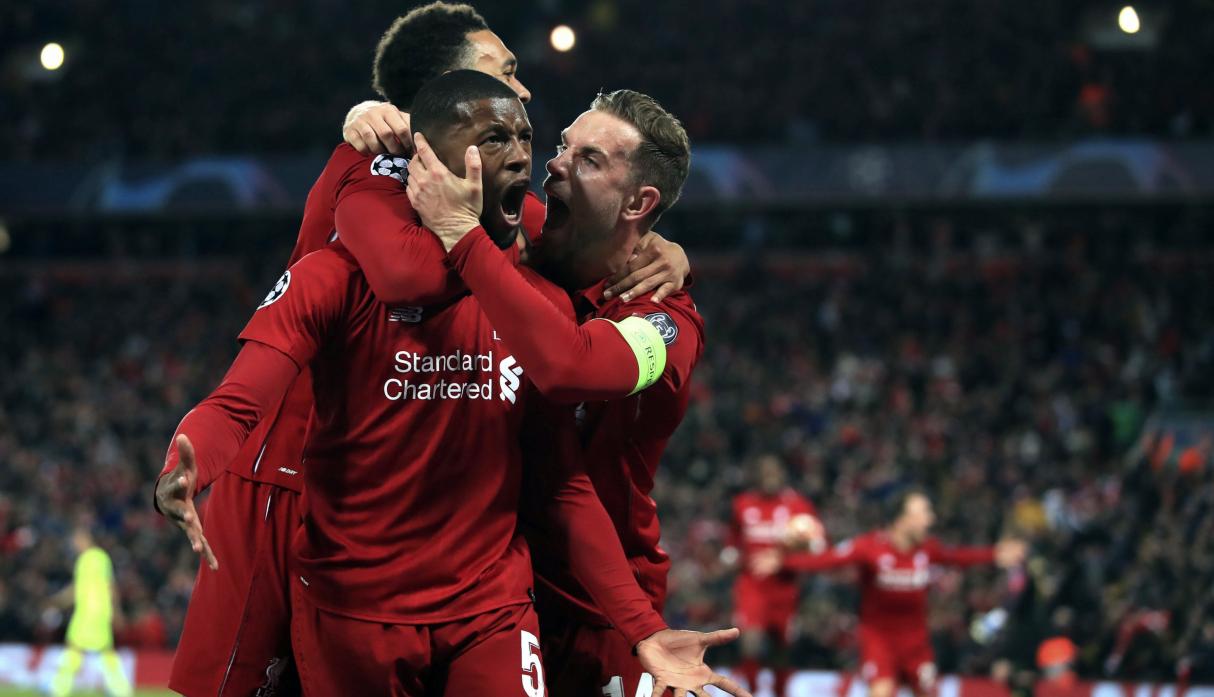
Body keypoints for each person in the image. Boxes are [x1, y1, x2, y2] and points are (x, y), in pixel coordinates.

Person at [153, 5, 688, 695]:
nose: (523, 95)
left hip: (503, 571)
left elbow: (555, 270)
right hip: (289, 486)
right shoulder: (368, 176)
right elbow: (407, 276)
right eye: (503, 76)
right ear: (436, 112)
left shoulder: (543, 251)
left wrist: (657, 246)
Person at [406, 86, 713, 696]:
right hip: (480, 591)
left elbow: (569, 367)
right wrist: (371, 118)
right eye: (564, 146)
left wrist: (462, 236)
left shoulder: (667, 323)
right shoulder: (516, 242)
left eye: (588, 160)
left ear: (638, 203)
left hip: (599, 617)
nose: (553, 164)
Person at [754, 488, 1027, 697]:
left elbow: (956, 556)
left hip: (917, 643)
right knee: (881, 692)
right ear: (903, 519)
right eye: (924, 513)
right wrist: (784, 561)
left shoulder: (927, 549)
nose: (930, 519)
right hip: (879, 641)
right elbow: (829, 560)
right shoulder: (870, 547)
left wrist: (994, 554)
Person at [720, 455, 824, 696]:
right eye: (765, 472)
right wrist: (730, 558)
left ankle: (780, 692)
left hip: (785, 588)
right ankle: (751, 692)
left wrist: (784, 561)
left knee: (781, 648)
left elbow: (818, 550)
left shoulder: (798, 506)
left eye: (775, 471)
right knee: (750, 642)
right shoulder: (742, 504)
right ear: (756, 476)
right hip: (752, 585)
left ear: (783, 474)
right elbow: (732, 542)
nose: (770, 477)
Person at [48, 527, 133, 697]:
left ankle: (59, 689)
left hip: (89, 612)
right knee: (102, 650)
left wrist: (59, 600)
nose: (74, 544)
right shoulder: (101, 557)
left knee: (75, 646)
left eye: (76, 540)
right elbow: (106, 586)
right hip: (100, 611)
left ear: (85, 538)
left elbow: (87, 588)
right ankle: (121, 689)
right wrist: (115, 611)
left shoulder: (87, 558)